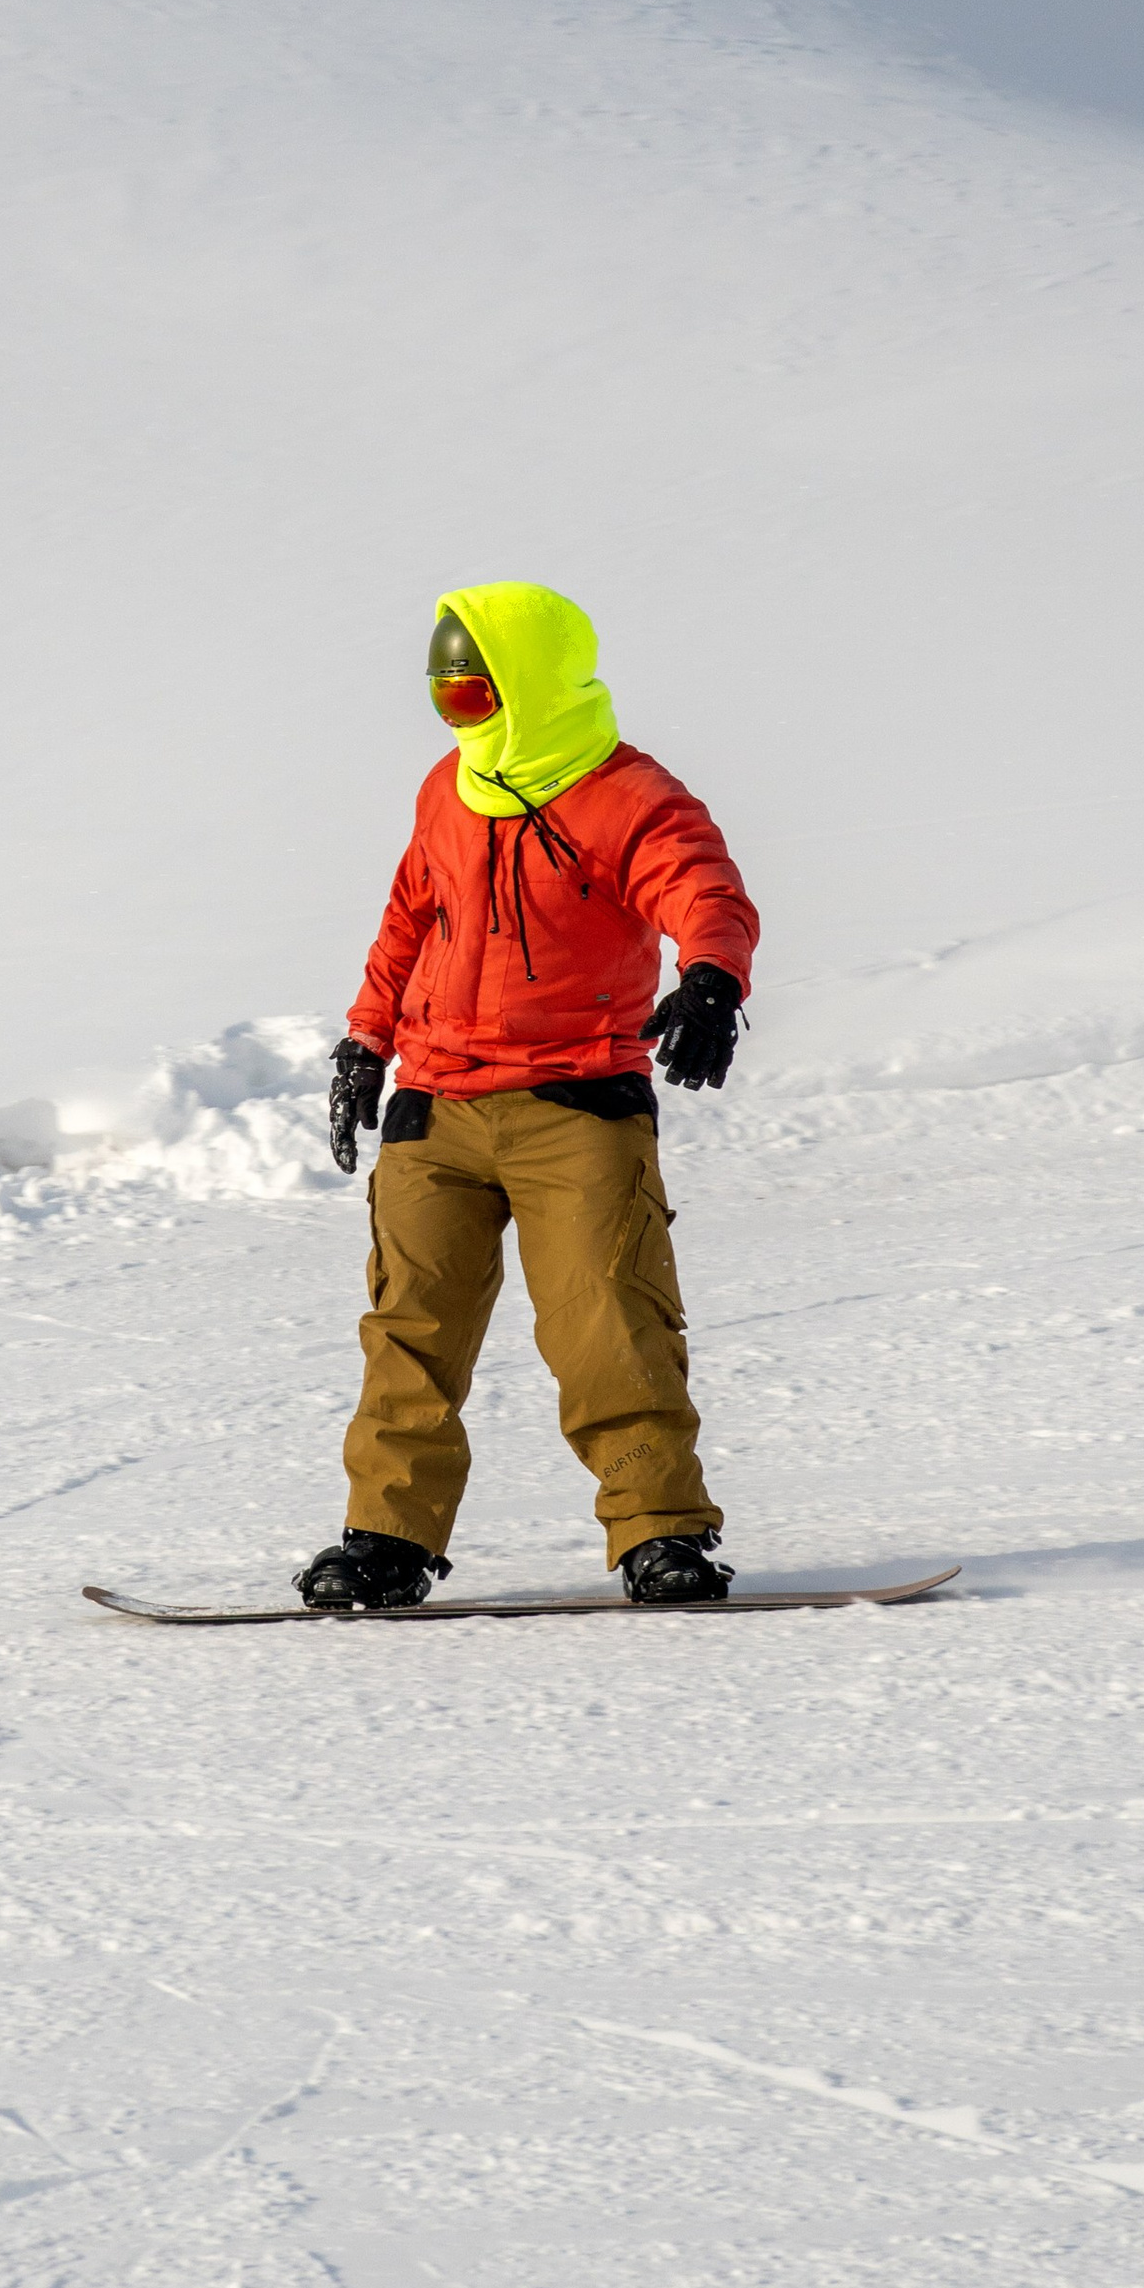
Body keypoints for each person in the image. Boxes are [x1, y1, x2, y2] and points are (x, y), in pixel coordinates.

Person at [299, 583, 758, 1611]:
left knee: (609, 1319)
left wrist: (711, 977)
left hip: (577, 1103)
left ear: (534, 684)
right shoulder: (449, 790)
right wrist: (365, 1044)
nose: (466, 721)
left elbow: (702, 888)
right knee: (409, 1330)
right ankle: (384, 1540)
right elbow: (407, 918)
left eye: (477, 697)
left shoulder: (628, 794)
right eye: (450, 703)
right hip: (437, 1106)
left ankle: (660, 1532)